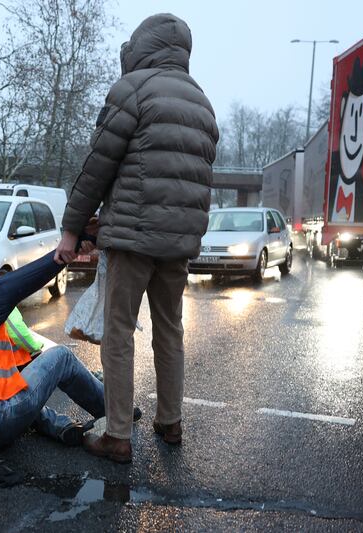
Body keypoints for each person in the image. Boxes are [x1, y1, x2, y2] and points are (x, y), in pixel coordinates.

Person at [55, 13, 219, 463]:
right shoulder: (202, 102)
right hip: (179, 244)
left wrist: (73, 229)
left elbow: (98, 165)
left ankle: (119, 434)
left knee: (119, 332)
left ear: (141, 45)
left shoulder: (133, 89)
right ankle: (171, 423)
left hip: (132, 237)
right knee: (170, 330)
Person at [0, 246, 126, 450]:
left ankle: (61, 427)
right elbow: (30, 276)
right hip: (0, 421)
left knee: (17, 386)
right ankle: (117, 416)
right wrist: (72, 247)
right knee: (61, 357)